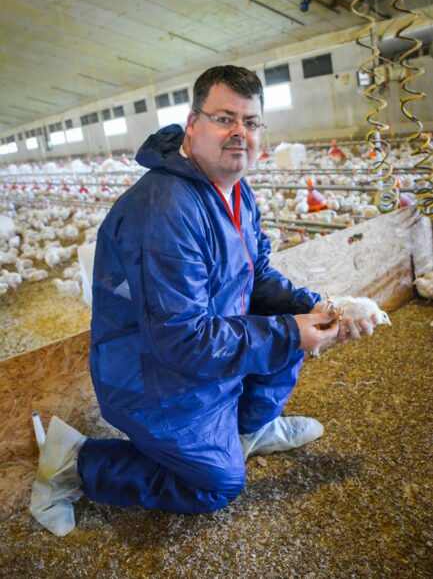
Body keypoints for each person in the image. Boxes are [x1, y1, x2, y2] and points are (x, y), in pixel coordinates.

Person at [30, 65, 376, 536]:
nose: (240, 133)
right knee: (217, 484)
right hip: (154, 374)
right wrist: (292, 330)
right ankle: (76, 461)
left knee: (287, 320)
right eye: (224, 118)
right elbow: (180, 339)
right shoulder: (166, 210)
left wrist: (321, 305)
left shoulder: (234, 190)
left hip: (207, 342)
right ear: (193, 124)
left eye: (250, 123)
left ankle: (246, 431)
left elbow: (256, 276)